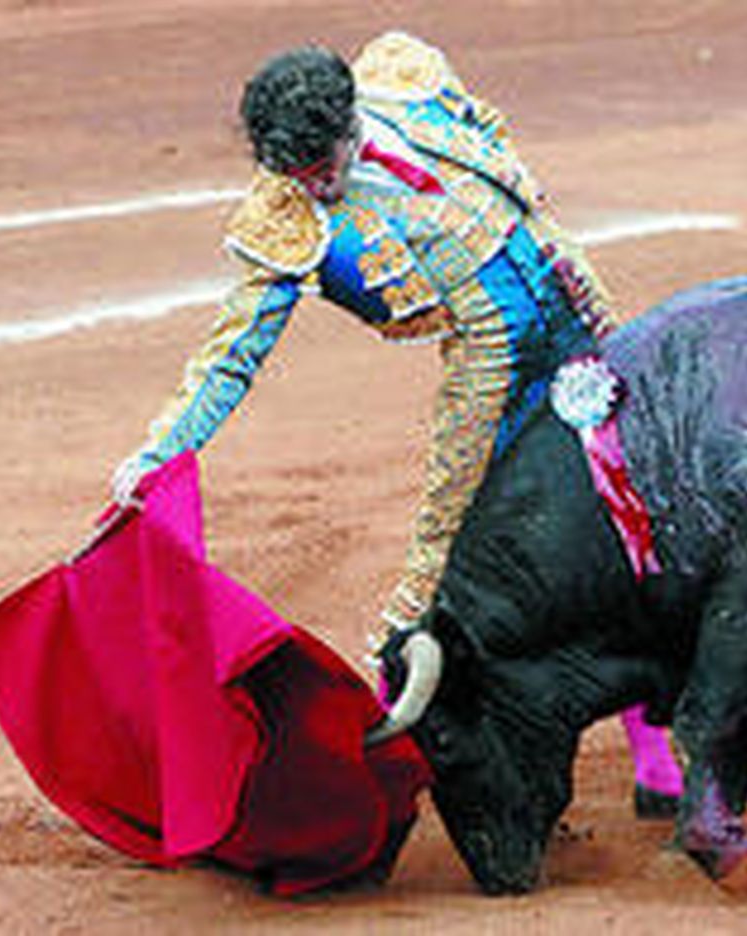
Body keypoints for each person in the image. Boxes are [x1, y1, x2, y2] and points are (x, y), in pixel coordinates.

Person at [110, 32, 683, 811]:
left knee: (631, 527)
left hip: (584, 318)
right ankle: (384, 784)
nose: (313, 187)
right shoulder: (285, 221)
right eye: (294, 173)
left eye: (323, 166)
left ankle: (658, 770)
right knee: (436, 569)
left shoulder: (409, 82)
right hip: (494, 374)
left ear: (350, 123)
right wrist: (160, 450)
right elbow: (232, 356)